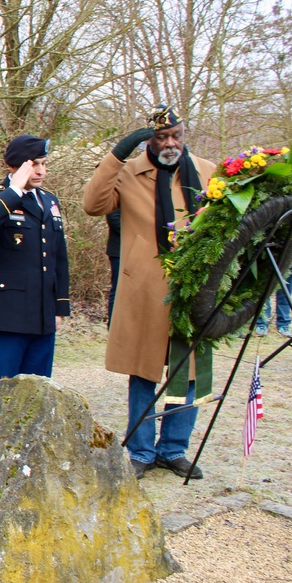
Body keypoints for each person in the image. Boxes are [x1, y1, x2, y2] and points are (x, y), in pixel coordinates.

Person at [82, 105, 215, 480]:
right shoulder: (128, 173)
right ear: (149, 140)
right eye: (161, 138)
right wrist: (118, 154)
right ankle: (141, 449)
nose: (170, 143)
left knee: (186, 373)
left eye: (176, 135)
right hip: (144, 290)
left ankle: (173, 449)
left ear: (184, 134)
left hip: (193, 292)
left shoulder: (208, 172)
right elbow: (93, 205)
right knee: (143, 372)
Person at [0, 136, 70, 380]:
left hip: (42, 315)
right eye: (35, 164)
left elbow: (59, 258)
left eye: (44, 164)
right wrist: (15, 190)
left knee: (36, 400)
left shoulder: (49, 200)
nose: (41, 171)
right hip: (5, 316)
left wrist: (59, 307)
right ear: (16, 165)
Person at [255, 260, 292, 337]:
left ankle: (284, 324)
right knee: (264, 293)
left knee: (285, 295)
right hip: (269, 258)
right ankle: (262, 323)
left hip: (291, 262)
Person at [105, 209, 121, 325]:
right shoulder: (119, 191)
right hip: (119, 251)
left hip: (140, 250)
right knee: (118, 290)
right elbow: (113, 218)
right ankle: (113, 327)